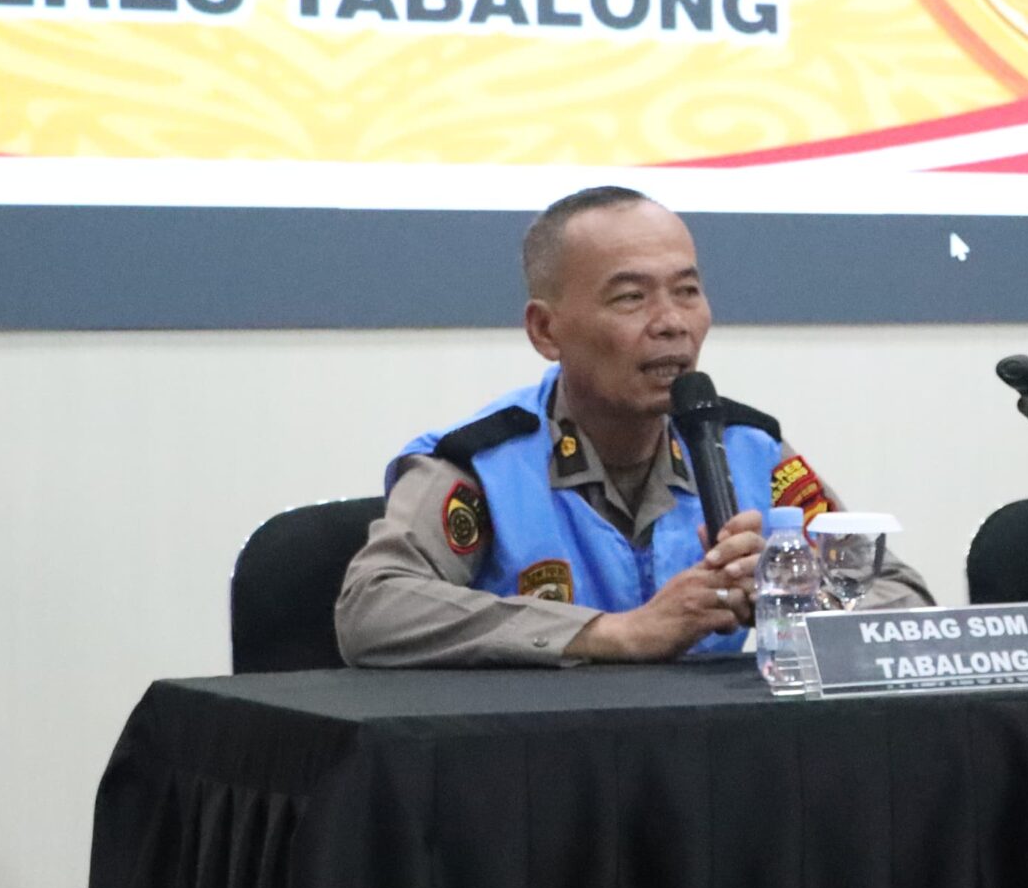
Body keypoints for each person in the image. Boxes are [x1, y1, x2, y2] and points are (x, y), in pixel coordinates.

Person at [336, 186, 930, 666]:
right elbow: (372, 608)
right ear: (546, 330)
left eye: (687, 291)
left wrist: (799, 598)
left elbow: (903, 599)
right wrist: (615, 633)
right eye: (630, 298)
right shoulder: (481, 464)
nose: (672, 323)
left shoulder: (747, 448)